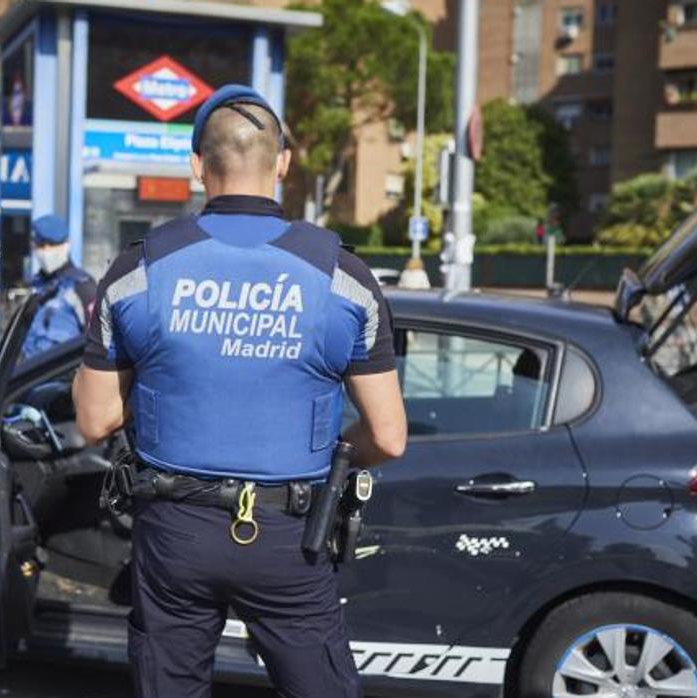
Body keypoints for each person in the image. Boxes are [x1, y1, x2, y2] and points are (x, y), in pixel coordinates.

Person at [72, 85, 407, 698]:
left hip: (175, 530)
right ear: (283, 163)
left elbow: (95, 421)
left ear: (197, 164)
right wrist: (322, 455)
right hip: (291, 537)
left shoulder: (136, 270)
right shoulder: (344, 276)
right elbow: (388, 435)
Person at [21, 214, 97, 357]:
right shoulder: (37, 287)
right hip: (31, 375)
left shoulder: (82, 288)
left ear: (67, 243)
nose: (46, 251)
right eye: (41, 245)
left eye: (53, 244)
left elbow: (101, 345)